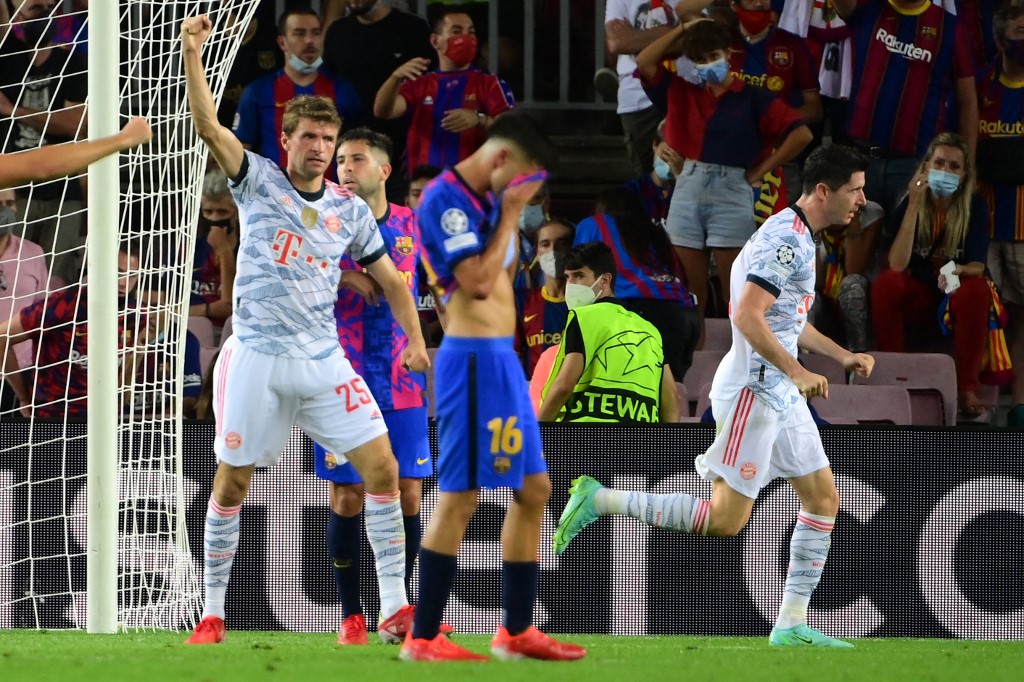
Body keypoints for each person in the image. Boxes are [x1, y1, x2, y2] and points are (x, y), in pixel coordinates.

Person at [554, 144, 875, 649]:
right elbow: (746, 315)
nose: (861, 199)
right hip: (754, 389)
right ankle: (599, 498)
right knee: (725, 521)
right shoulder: (785, 241)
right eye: (855, 189)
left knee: (823, 499)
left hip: (778, 392)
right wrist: (795, 372)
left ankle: (791, 623)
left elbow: (784, 321)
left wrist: (840, 355)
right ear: (823, 191)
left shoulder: (799, 237)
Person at [180, 14, 429, 645]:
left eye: (328, 136)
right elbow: (209, 126)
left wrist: (418, 340)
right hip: (258, 356)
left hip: (324, 360)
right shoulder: (256, 180)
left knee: (383, 468)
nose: (319, 146)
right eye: (309, 136)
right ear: (286, 140)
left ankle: (395, 606)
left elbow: (395, 281)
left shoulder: (348, 210)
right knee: (233, 482)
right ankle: (212, 612)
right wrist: (191, 53)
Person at [402, 111, 585, 662]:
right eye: (525, 183)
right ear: (503, 159)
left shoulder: (482, 200)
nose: (526, 197)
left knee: (534, 491)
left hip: (500, 363)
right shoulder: (446, 200)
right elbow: (478, 285)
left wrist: (506, 213)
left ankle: (515, 631)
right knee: (462, 494)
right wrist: (509, 214)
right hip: (473, 360)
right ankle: (424, 637)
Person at [312, 127, 434, 645]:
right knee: (348, 497)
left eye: (356, 159)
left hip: (403, 380)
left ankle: (398, 606)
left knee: (408, 493)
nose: (344, 167)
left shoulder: (413, 225)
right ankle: (351, 616)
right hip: (343, 377)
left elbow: (441, 286)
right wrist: (344, 278)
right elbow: (292, 271)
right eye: (340, 159)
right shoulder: (319, 218)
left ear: (384, 171)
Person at [636, 19, 812, 346]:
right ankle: (693, 366)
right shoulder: (681, 91)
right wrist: (684, 29)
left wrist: (760, 171)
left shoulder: (753, 97)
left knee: (739, 290)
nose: (707, 65)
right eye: (699, 59)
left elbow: (802, 133)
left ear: (729, 53)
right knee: (689, 291)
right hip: (687, 186)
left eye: (712, 55)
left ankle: (742, 366)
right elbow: (644, 61)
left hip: (732, 190)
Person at [871, 132, 1002, 421]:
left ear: (965, 174)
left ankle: (967, 388)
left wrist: (958, 271)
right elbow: (896, 264)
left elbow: (979, 266)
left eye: (954, 167)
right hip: (920, 296)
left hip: (955, 298)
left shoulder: (975, 206)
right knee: (886, 284)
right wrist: (915, 205)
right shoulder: (909, 202)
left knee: (977, 288)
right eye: (939, 163)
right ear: (926, 166)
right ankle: (893, 375)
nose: (945, 171)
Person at [832, 0, 977, 218]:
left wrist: (968, 166)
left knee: (907, 248)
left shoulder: (951, 28)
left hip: (915, 166)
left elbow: (968, 101)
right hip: (861, 161)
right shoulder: (868, 8)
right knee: (856, 248)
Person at [538, 241, 680, 423]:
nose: (570, 285)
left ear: (604, 280)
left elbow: (564, 386)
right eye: (567, 277)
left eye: (579, 276)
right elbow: (672, 399)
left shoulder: (583, 317)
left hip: (586, 441)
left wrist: (536, 435)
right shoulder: (650, 330)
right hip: (640, 445)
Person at [0, 242, 142, 418]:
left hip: (102, 421)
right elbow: (2, 336)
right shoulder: (63, 306)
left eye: (132, 276)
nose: (123, 283)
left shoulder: (134, 315)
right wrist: (23, 397)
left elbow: (124, 382)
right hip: (53, 417)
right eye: (118, 272)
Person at [1, 0, 89, 285]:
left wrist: (12, 110)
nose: (43, 16)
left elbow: (76, 124)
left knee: (57, 281)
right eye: (35, 9)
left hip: (62, 191)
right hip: (13, 193)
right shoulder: (6, 60)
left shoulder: (73, 62)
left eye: (48, 9)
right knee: (11, 276)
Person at [574, 187, 699, 383]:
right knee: (666, 396)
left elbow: (578, 271)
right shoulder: (657, 233)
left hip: (632, 312)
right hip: (681, 318)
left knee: (627, 392)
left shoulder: (594, 224)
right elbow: (681, 278)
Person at [373, 6, 515, 174]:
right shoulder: (420, 83)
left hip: (471, 186)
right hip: (424, 187)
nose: (466, 38)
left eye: (471, 32)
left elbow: (513, 130)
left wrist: (480, 119)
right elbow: (383, 111)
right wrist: (394, 78)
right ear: (435, 41)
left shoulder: (489, 83)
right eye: (456, 31)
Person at [232, 6, 361, 181]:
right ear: (282, 42)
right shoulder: (257, 92)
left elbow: (358, 147)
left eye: (315, 33)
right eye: (299, 33)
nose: (309, 40)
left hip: (331, 199)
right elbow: (242, 151)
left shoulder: (344, 91)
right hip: (274, 199)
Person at [321, 0, 433, 201]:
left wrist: (417, 143)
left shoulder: (412, 29)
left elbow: (430, 90)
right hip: (350, 157)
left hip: (399, 159)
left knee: (401, 229)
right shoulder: (338, 32)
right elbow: (328, 89)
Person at [977, 0, 1024, 426]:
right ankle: (985, 405)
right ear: (998, 38)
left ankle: (1021, 404)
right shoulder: (981, 85)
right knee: (992, 311)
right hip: (987, 220)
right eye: (1016, 33)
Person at [605, 0, 680, 177]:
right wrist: (672, 32)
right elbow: (617, 42)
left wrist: (635, 37)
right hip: (638, 103)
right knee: (649, 183)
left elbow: (697, 37)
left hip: (686, 93)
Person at [0, 204, 48, 412]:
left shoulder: (33, 252)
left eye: (9, 204)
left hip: (23, 369)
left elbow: (43, 306)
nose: (5, 211)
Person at [519, 218, 573, 377]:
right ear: (537, 251)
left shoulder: (588, 304)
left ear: (573, 249)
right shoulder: (522, 301)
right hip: (534, 395)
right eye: (545, 244)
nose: (553, 251)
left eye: (561, 244)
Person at [188, 168, 238, 336]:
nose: (215, 219)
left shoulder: (249, 250)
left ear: (237, 213)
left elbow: (229, 307)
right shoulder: (190, 249)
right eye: (208, 212)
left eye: (222, 212)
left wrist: (224, 252)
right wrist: (210, 310)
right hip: (191, 330)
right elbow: (170, 304)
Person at [622, 120, 683, 230]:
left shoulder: (685, 193)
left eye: (675, 160)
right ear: (655, 145)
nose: (668, 165)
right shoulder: (633, 191)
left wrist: (680, 178)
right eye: (665, 155)